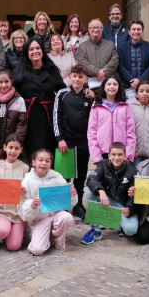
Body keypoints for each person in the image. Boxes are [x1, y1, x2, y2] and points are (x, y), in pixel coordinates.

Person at [53, 64, 95, 219]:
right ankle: (63, 205)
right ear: (69, 77)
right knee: (64, 175)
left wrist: (95, 94)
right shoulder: (62, 94)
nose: (77, 79)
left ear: (85, 79)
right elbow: (56, 116)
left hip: (83, 141)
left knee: (81, 174)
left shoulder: (89, 96)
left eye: (80, 77)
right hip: (66, 142)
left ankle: (78, 205)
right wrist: (60, 139)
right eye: (74, 76)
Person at [19, 149, 76, 256]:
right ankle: (45, 236)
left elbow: (69, 202)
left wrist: (72, 194)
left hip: (56, 214)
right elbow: (22, 205)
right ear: (33, 162)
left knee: (67, 217)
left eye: (47, 161)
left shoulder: (57, 177)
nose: (43, 163)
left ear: (50, 163)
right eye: (40, 160)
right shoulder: (27, 180)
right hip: (40, 218)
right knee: (37, 250)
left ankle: (57, 236)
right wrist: (31, 204)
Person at [14, 39, 66, 156]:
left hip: (48, 116)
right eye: (31, 49)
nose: (35, 51)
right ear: (27, 53)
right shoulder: (20, 72)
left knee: (47, 148)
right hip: (28, 117)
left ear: (42, 50)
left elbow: (62, 92)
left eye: (38, 48)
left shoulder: (52, 70)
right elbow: (12, 92)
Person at [81, 142, 140, 244]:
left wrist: (129, 208)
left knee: (131, 230)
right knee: (90, 192)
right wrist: (101, 191)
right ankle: (96, 230)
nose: (116, 157)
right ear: (109, 156)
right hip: (108, 201)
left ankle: (120, 224)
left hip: (123, 206)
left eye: (120, 154)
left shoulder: (132, 171)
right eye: (113, 154)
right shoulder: (103, 164)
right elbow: (91, 179)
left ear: (125, 156)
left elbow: (135, 197)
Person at [0, 135, 30, 252]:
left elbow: (29, 191)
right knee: (1, 232)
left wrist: (24, 191)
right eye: (10, 147)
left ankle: (21, 228)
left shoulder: (25, 168)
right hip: (1, 210)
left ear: (21, 150)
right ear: (5, 147)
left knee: (14, 246)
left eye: (16, 148)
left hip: (18, 212)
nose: (13, 151)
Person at [87, 76, 136, 163]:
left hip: (121, 153)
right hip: (103, 154)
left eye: (115, 84)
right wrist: (97, 157)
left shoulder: (125, 106)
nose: (112, 87)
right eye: (109, 84)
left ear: (119, 87)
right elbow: (91, 133)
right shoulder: (97, 105)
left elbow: (130, 132)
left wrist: (128, 155)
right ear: (104, 87)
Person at [0, 69, 27, 156]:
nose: (3, 85)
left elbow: (21, 125)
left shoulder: (19, 100)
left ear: (11, 81)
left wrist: (14, 144)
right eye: (0, 82)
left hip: (11, 148)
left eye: (6, 81)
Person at [117, 20, 149, 100]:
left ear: (142, 31)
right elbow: (120, 66)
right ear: (129, 32)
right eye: (133, 29)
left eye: (139, 29)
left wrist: (140, 80)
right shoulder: (121, 47)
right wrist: (132, 80)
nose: (136, 31)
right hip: (127, 86)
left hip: (145, 85)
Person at [75, 19, 119, 83]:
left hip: (107, 83)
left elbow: (115, 61)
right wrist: (97, 72)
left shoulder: (110, 45)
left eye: (98, 27)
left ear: (102, 29)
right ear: (89, 30)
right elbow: (81, 62)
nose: (95, 30)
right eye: (93, 27)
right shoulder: (82, 46)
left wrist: (103, 73)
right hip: (88, 83)